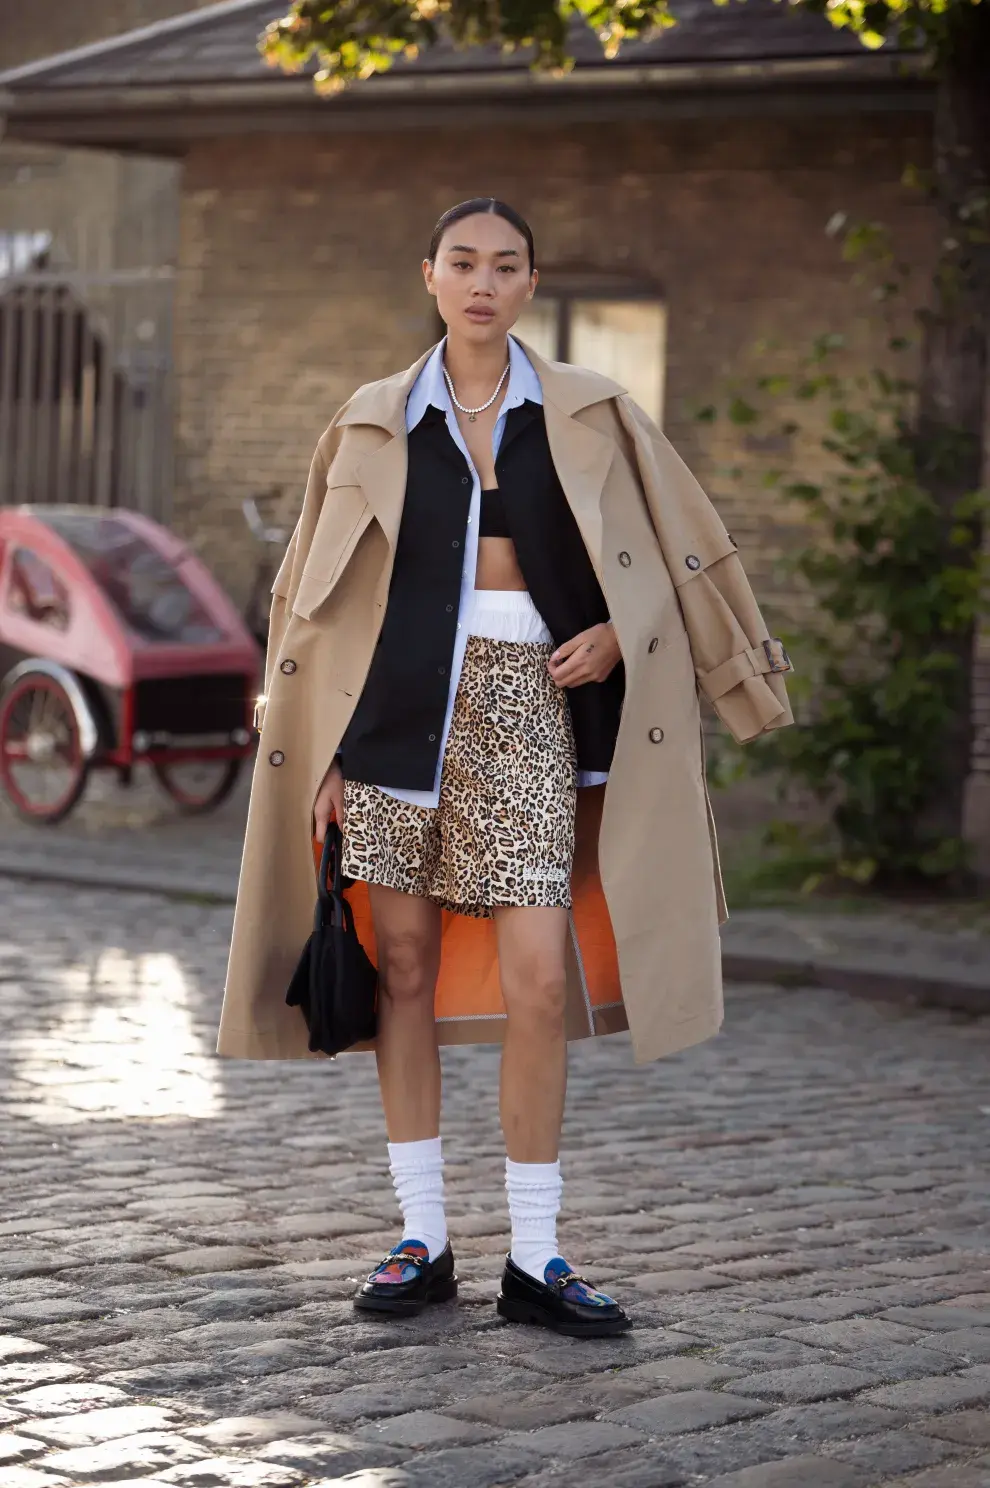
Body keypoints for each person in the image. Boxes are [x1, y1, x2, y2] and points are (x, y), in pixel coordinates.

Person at [217, 197, 793, 1338]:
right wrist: (316, 753)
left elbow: (682, 555)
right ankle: (420, 1239)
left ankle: (537, 1253)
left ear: (532, 284)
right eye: (464, 262)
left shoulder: (595, 412)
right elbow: (315, 599)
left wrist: (625, 634)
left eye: (508, 265)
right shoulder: (372, 421)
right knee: (406, 977)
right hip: (389, 729)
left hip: (531, 710)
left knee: (538, 980)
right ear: (428, 275)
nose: (484, 282)